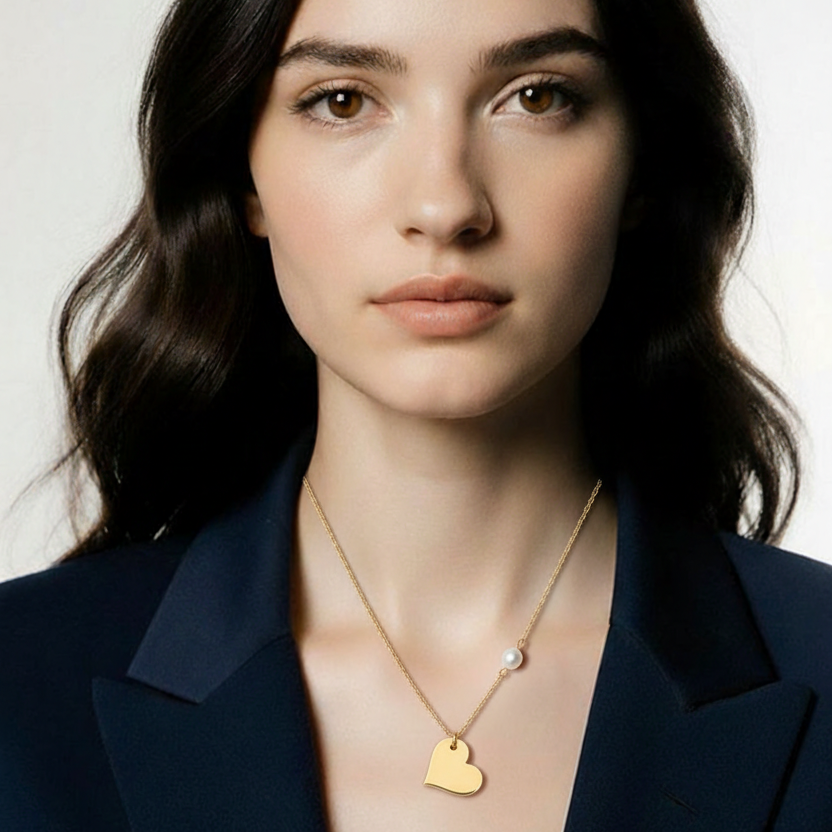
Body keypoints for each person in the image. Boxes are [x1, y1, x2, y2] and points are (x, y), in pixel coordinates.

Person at [1, 0, 830, 829]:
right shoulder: (21, 686)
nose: (445, 207)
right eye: (343, 100)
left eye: (537, 97)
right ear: (241, 178)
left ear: (642, 170)